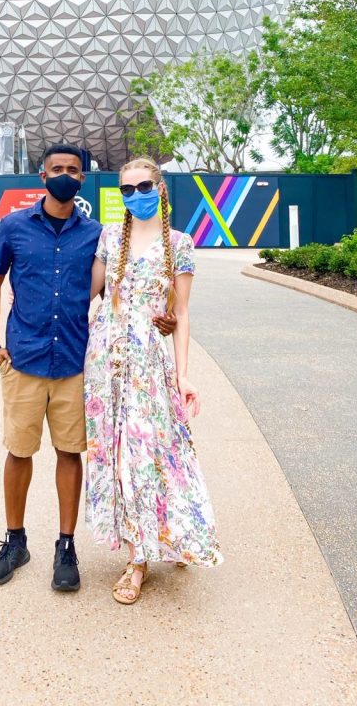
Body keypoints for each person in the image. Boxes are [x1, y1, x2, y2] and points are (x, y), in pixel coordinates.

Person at [0, 145, 176, 592]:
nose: (64, 175)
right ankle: (15, 541)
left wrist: (167, 320)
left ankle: (65, 546)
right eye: (57, 169)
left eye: (73, 170)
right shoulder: (13, 227)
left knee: (70, 454)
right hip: (24, 359)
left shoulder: (99, 236)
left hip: (75, 362)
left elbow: (135, 286)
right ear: (42, 174)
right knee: (19, 452)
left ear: (83, 179)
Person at [84, 156, 223, 604]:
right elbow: (90, 292)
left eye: (144, 187)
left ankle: (158, 542)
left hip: (149, 363)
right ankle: (139, 552)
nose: (135, 196)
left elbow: (180, 313)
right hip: (106, 363)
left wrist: (184, 375)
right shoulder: (110, 237)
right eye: (127, 190)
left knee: (151, 451)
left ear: (160, 189)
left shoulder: (179, 244)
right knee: (118, 455)